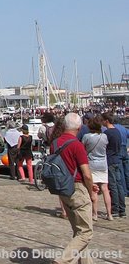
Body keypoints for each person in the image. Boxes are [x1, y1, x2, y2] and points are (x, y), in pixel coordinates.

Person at [52, 113, 97, 264]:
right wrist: (90, 192)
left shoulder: (56, 143)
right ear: (79, 127)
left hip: (64, 189)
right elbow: (87, 174)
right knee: (86, 232)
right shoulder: (77, 145)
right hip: (78, 189)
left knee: (79, 232)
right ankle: (62, 261)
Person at [81, 116, 112, 221]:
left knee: (93, 190)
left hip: (92, 164)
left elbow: (82, 148)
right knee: (105, 189)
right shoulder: (104, 137)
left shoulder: (86, 137)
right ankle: (109, 214)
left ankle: (95, 214)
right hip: (103, 164)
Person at [100, 113, 126, 218]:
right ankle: (122, 209)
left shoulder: (107, 133)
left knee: (113, 185)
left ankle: (115, 209)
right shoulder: (117, 131)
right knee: (119, 184)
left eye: (102, 120)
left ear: (106, 121)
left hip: (110, 160)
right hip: (117, 159)